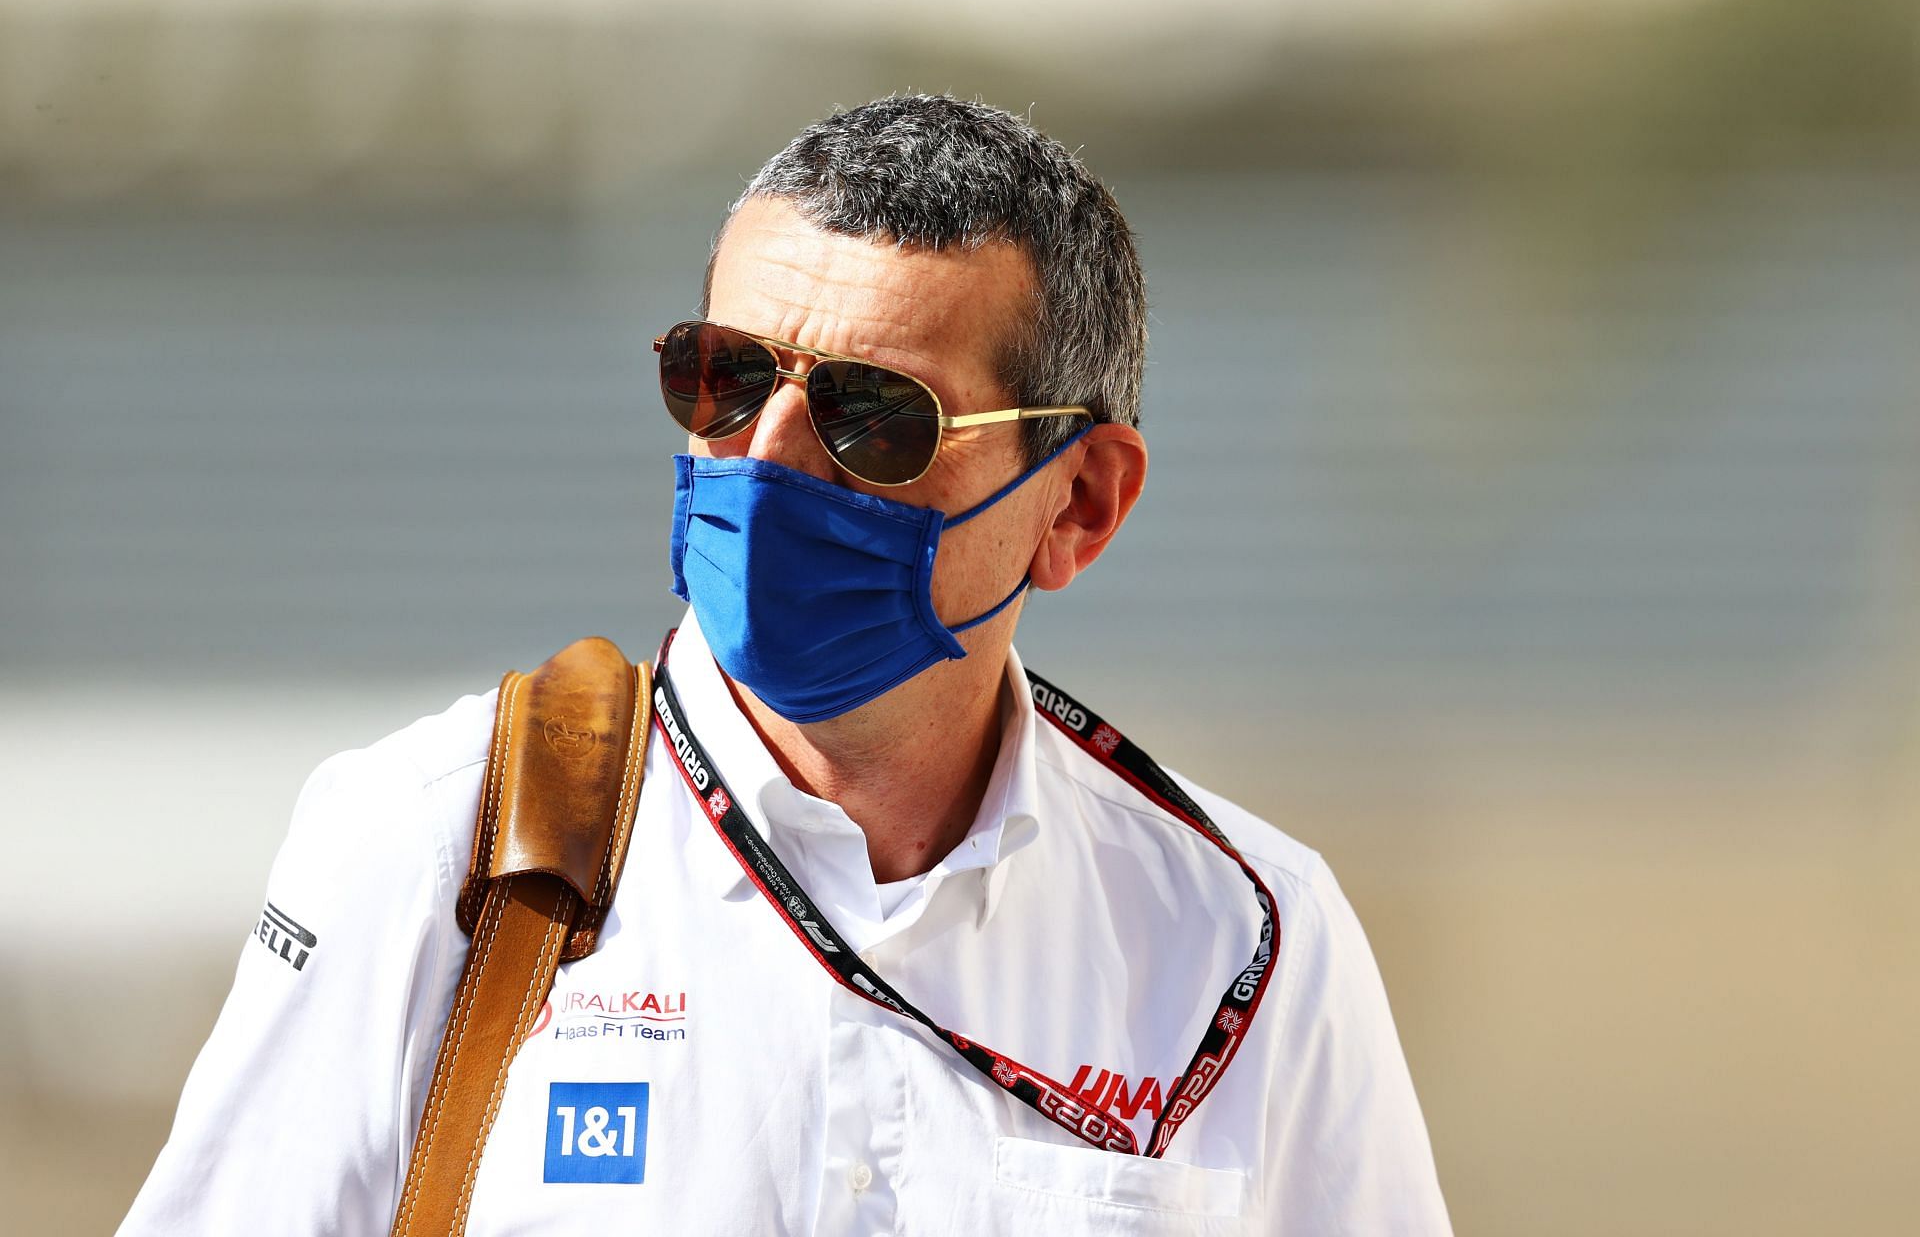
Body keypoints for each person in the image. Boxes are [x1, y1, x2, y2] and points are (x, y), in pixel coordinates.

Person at [120, 95, 1451, 1235]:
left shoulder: (1244, 941)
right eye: (725, 378)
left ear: (1080, 504)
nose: (766, 458)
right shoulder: (441, 843)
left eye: (875, 416)